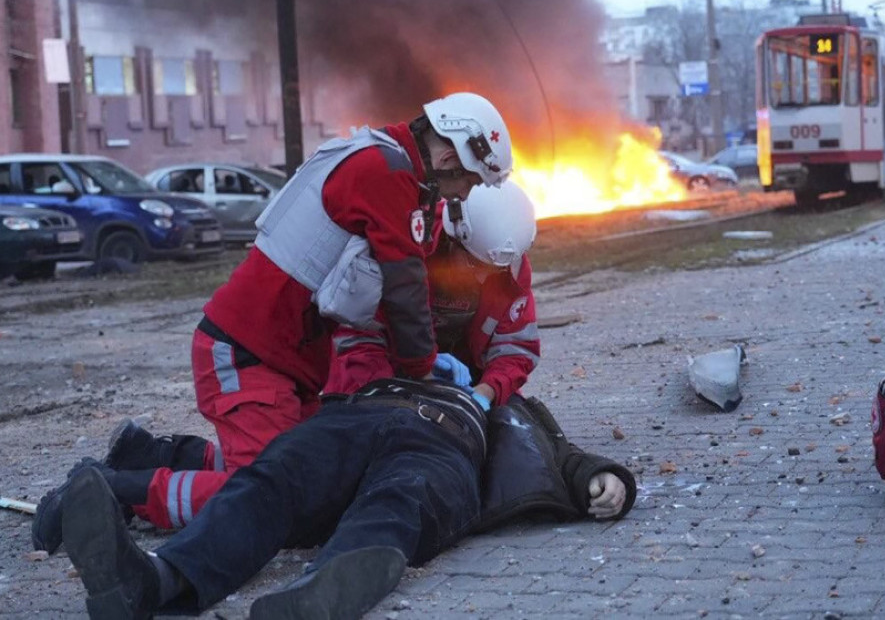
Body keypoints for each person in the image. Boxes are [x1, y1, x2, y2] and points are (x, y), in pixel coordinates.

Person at [30, 92, 514, 554]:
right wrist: (423, 371)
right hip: (248, 354)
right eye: (470, 183)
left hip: (282, 361)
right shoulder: (386, 174)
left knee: (314, 474)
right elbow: (404, 288)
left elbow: (386, 295)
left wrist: (413, 366)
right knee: (270, 495)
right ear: (453, 158)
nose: (463, 195)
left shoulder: (386, 164)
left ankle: (151, 457)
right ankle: (109, 493)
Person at [60, 377, 636, 619]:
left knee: (399, 499)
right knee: (269, 480)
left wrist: (601, 477)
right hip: (352, 422)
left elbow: (554, 449)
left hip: (443, 448)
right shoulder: (384, 341)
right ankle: (153, 582)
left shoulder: (506, 395)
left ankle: (323, 590)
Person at [326, 179, 540, 410]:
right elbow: (357, 341)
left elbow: (516, 349)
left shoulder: (506, 263)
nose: (482, 277)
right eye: (474, 264)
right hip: (384, 378)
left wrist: (486, 392)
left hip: (467, 387)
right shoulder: (401, 248)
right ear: (452, 238)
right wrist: (412, 377)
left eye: (493, 270)